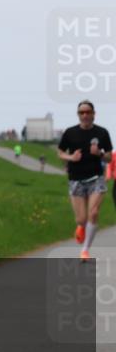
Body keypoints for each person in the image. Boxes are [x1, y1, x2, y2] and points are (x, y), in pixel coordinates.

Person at [57, 101, 113, 262]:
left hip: (96, 178)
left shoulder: (102, 133)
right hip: (76, 179)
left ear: (94, 113)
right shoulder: (70, 133)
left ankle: (85, 250)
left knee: (93, 213)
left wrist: (100, 154)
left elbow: (109, 158)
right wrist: (71, 157)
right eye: (81, 112)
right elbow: (60, 153)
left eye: (88, 112)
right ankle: (81, 226)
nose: (85, 115)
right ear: (78, 115)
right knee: (81, 219)